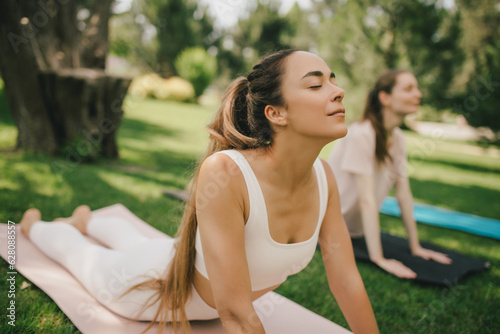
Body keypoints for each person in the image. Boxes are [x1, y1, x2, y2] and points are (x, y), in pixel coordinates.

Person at [20, 50, 379, 334]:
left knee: (145, 243)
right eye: (316, 85)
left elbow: (345, 278)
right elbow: (237, 314)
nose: (338, 90)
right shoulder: (227, 173)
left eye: (333, 80)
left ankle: (88, 219)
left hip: (172, 263)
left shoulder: (323, 176)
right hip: (144, 289)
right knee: (78, 255)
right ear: (276, 113)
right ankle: (35, 225)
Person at [327, 70, 452, 280]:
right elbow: (366, 200)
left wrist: (416, 247)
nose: (418, 94)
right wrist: (378, 258)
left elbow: (404, 194)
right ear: (385, 97)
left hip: (355, 232)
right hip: (328, 231)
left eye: (417, 88)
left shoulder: (398, 138)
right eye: (408, 89)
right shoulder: (362, 134)